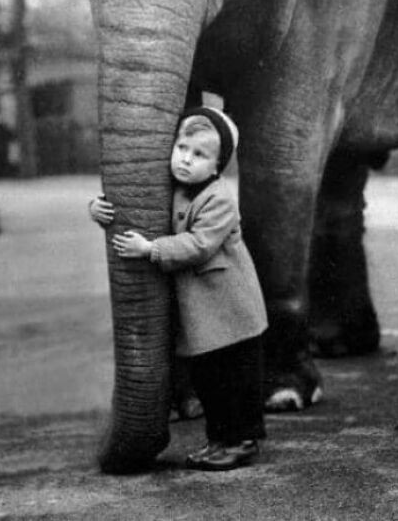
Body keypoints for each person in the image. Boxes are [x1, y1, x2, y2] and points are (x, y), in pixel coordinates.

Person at [88, 105, 268, 471]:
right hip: (205, 316)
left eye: (200, 155)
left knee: (235, 381)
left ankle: (241, 442)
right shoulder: (179, 187)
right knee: (210, 383)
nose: (186, 160)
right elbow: (136, 207)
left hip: (231, 312)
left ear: (217, 166)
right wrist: (98, 208)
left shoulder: (218, 198)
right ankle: (220, 440)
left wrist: (151, 249)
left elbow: (199, 245)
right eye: (182, 149)